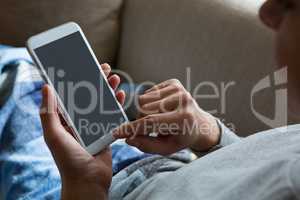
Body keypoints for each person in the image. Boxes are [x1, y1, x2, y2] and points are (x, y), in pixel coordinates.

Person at [1, 0, 300, 199]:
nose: (266, 11)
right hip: (157, 159)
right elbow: (256, 167)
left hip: (84, 186)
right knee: (36, 78)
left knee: (17, 81)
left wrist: (84, 187)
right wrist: (210, 134)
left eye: (292, 5)